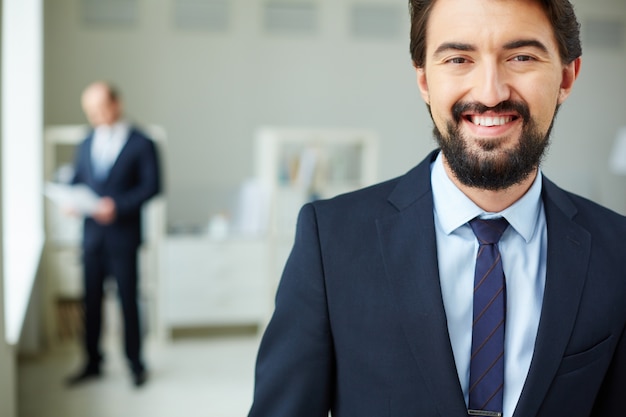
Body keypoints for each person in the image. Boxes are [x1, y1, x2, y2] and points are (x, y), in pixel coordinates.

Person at [247, 0, 626, 416]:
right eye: (459, 58)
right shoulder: (330, 241)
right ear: (425, 79)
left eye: (521, 57)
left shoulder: (618, 253)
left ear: (567, 76)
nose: (490, 92)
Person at [65, 81, 161, 388]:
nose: (95, 116)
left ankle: (136, 363)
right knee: (90, 302)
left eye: (100, 108)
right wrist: (71, 200)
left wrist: (117, 206)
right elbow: (78, 179)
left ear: (116, 104)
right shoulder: (86, 140)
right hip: (92, 236)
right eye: (90, 111)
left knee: (128, 300)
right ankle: (92, 361)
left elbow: (152, 186)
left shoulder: (142, 142)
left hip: (123, 236)